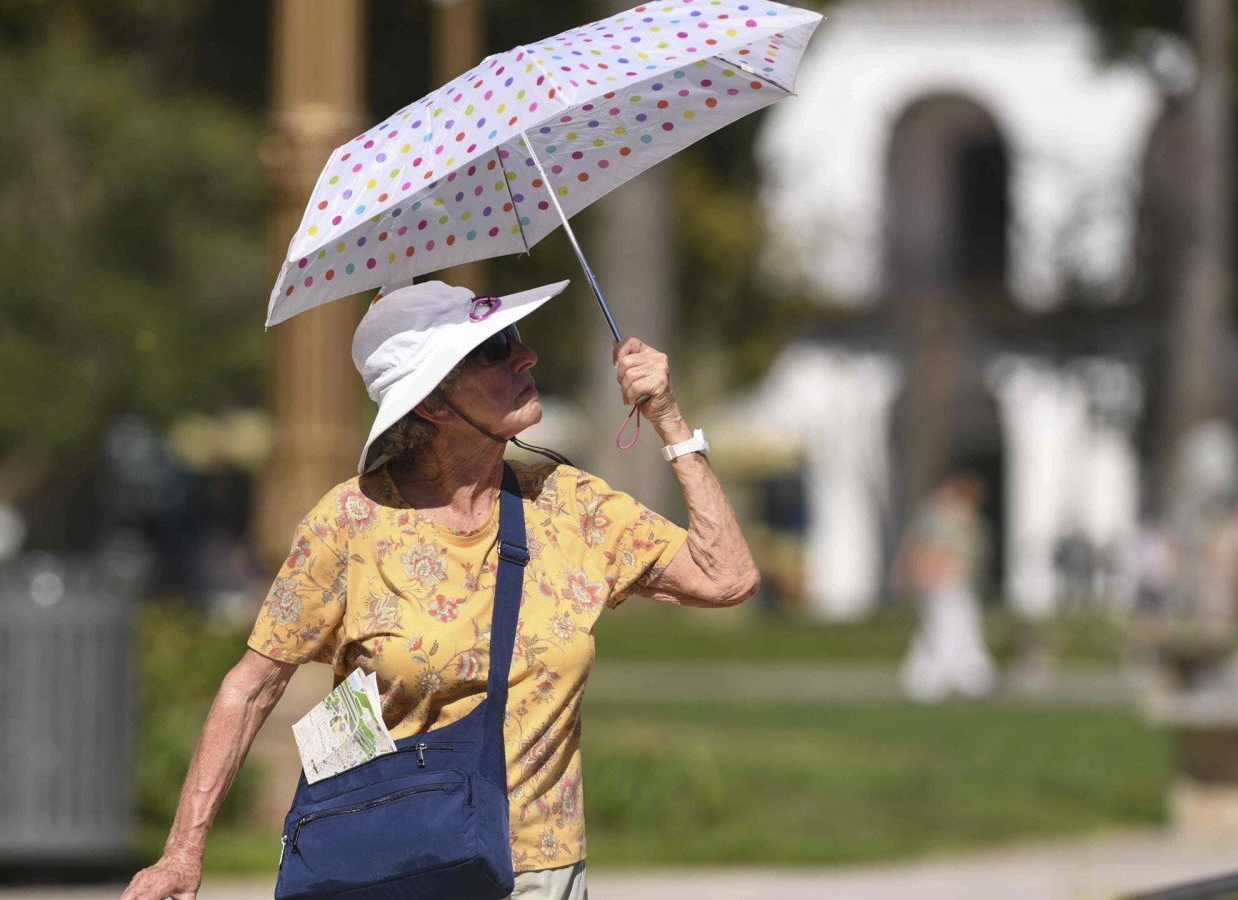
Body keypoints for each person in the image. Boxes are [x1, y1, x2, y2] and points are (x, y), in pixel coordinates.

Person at [120, 280, 759, 900]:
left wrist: (672, 422)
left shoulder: (571, 506)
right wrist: (182, 852)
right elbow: (251, 686)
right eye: (493, 346)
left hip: (537, 872)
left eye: (515, 336)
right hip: (395, 863)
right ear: (431, 400)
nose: (525, 354)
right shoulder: (351, 522)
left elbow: (728, 577)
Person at [895, 470, 996, 703]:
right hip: (942, 581)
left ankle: (961, 674)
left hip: (955, 581)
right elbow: (929, 550)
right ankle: (933, 677)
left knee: (955, 627)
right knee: (943, 628)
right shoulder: (938, 515)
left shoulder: (957, 515)